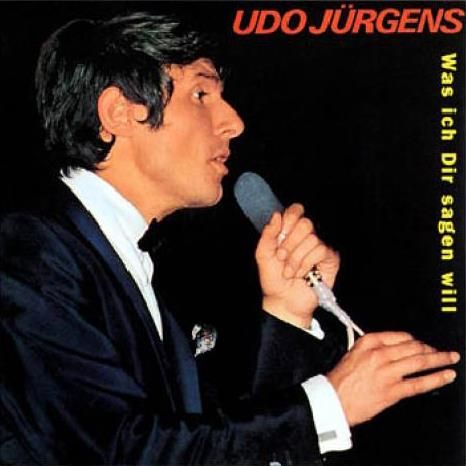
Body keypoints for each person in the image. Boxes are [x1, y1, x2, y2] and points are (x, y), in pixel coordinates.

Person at [0, 12, 459, 466]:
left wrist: (288, 314)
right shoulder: (28, 251)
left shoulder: (143, 267)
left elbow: (217, 447)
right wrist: (328, 404)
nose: (234, 122)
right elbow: (122, 451)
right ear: (119, 112)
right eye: (201, 94)